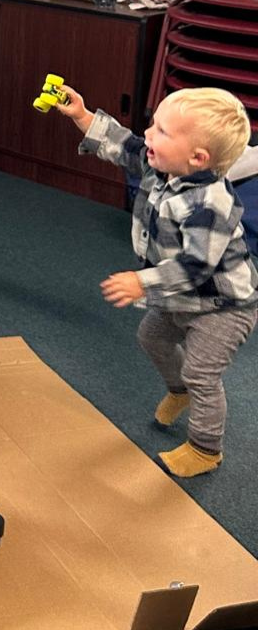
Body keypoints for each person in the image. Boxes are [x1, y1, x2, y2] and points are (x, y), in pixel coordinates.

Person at [56, 84, 256, 478]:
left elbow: (196, 266)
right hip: (181, 296)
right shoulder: (162, 164)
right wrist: (82, 115)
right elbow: (125, 146)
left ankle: (206, 449)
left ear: (198, 157)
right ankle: (179, 392)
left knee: (201, 373)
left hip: (224, 307)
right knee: (152, 337)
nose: (148, 134)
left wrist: (142, 282)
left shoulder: (211, 204)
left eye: (161, 131)